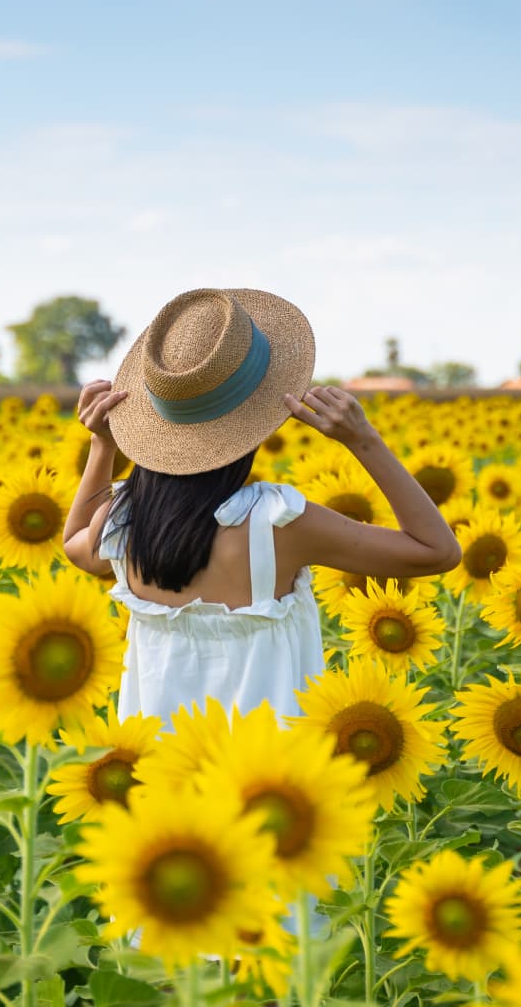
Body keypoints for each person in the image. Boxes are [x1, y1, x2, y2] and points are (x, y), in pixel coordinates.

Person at [60, 287, 461, 728]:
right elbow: (436, 551)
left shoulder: (123, 520)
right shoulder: (276, 524)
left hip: (161, 776)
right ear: (257, 422)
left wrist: (102, 445)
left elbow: (74, 544)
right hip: (268, 781)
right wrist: (364, 441)